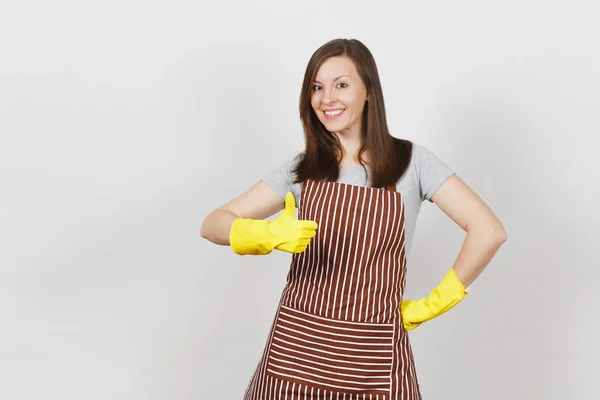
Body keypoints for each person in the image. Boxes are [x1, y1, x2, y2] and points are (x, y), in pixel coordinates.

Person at [201, 38, 507, 400]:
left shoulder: (412, 163)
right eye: (317, 87)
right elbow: (213, 224)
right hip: (296, 355)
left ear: (368, 92)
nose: (326, 98)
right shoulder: (302, 170)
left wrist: (435, 303)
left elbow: (488, 230)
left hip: (372, 357)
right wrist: (263, 233)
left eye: (341, 85)